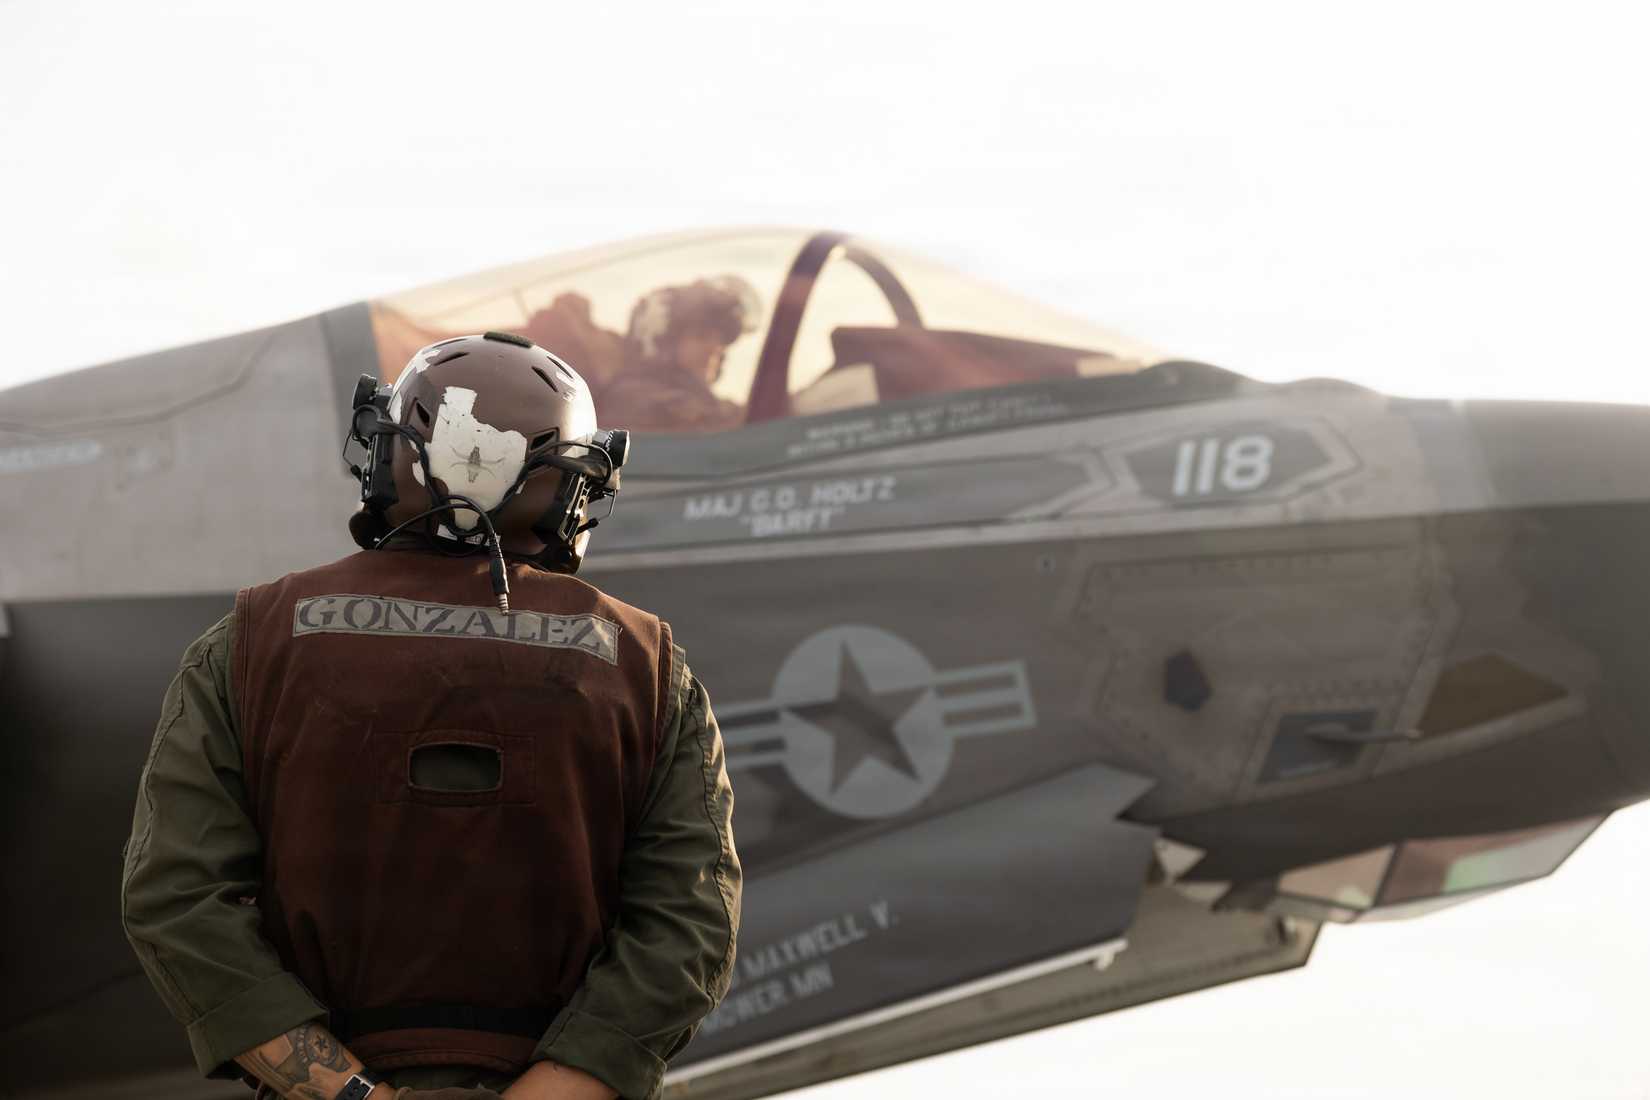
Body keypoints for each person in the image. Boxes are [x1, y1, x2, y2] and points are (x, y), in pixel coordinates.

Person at [120, 331, 741, 1100]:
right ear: (571, 486)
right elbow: (691, 924)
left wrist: (358, 1095)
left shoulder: (252, 640)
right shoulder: (646, 665)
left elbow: (175, 899)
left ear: (390, 452)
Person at [596, 276, 759, 432]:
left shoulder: (704, 402)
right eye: (701, 337)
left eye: (720, 341)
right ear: (662, 344)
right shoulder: (633, 398)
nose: (714, 349)